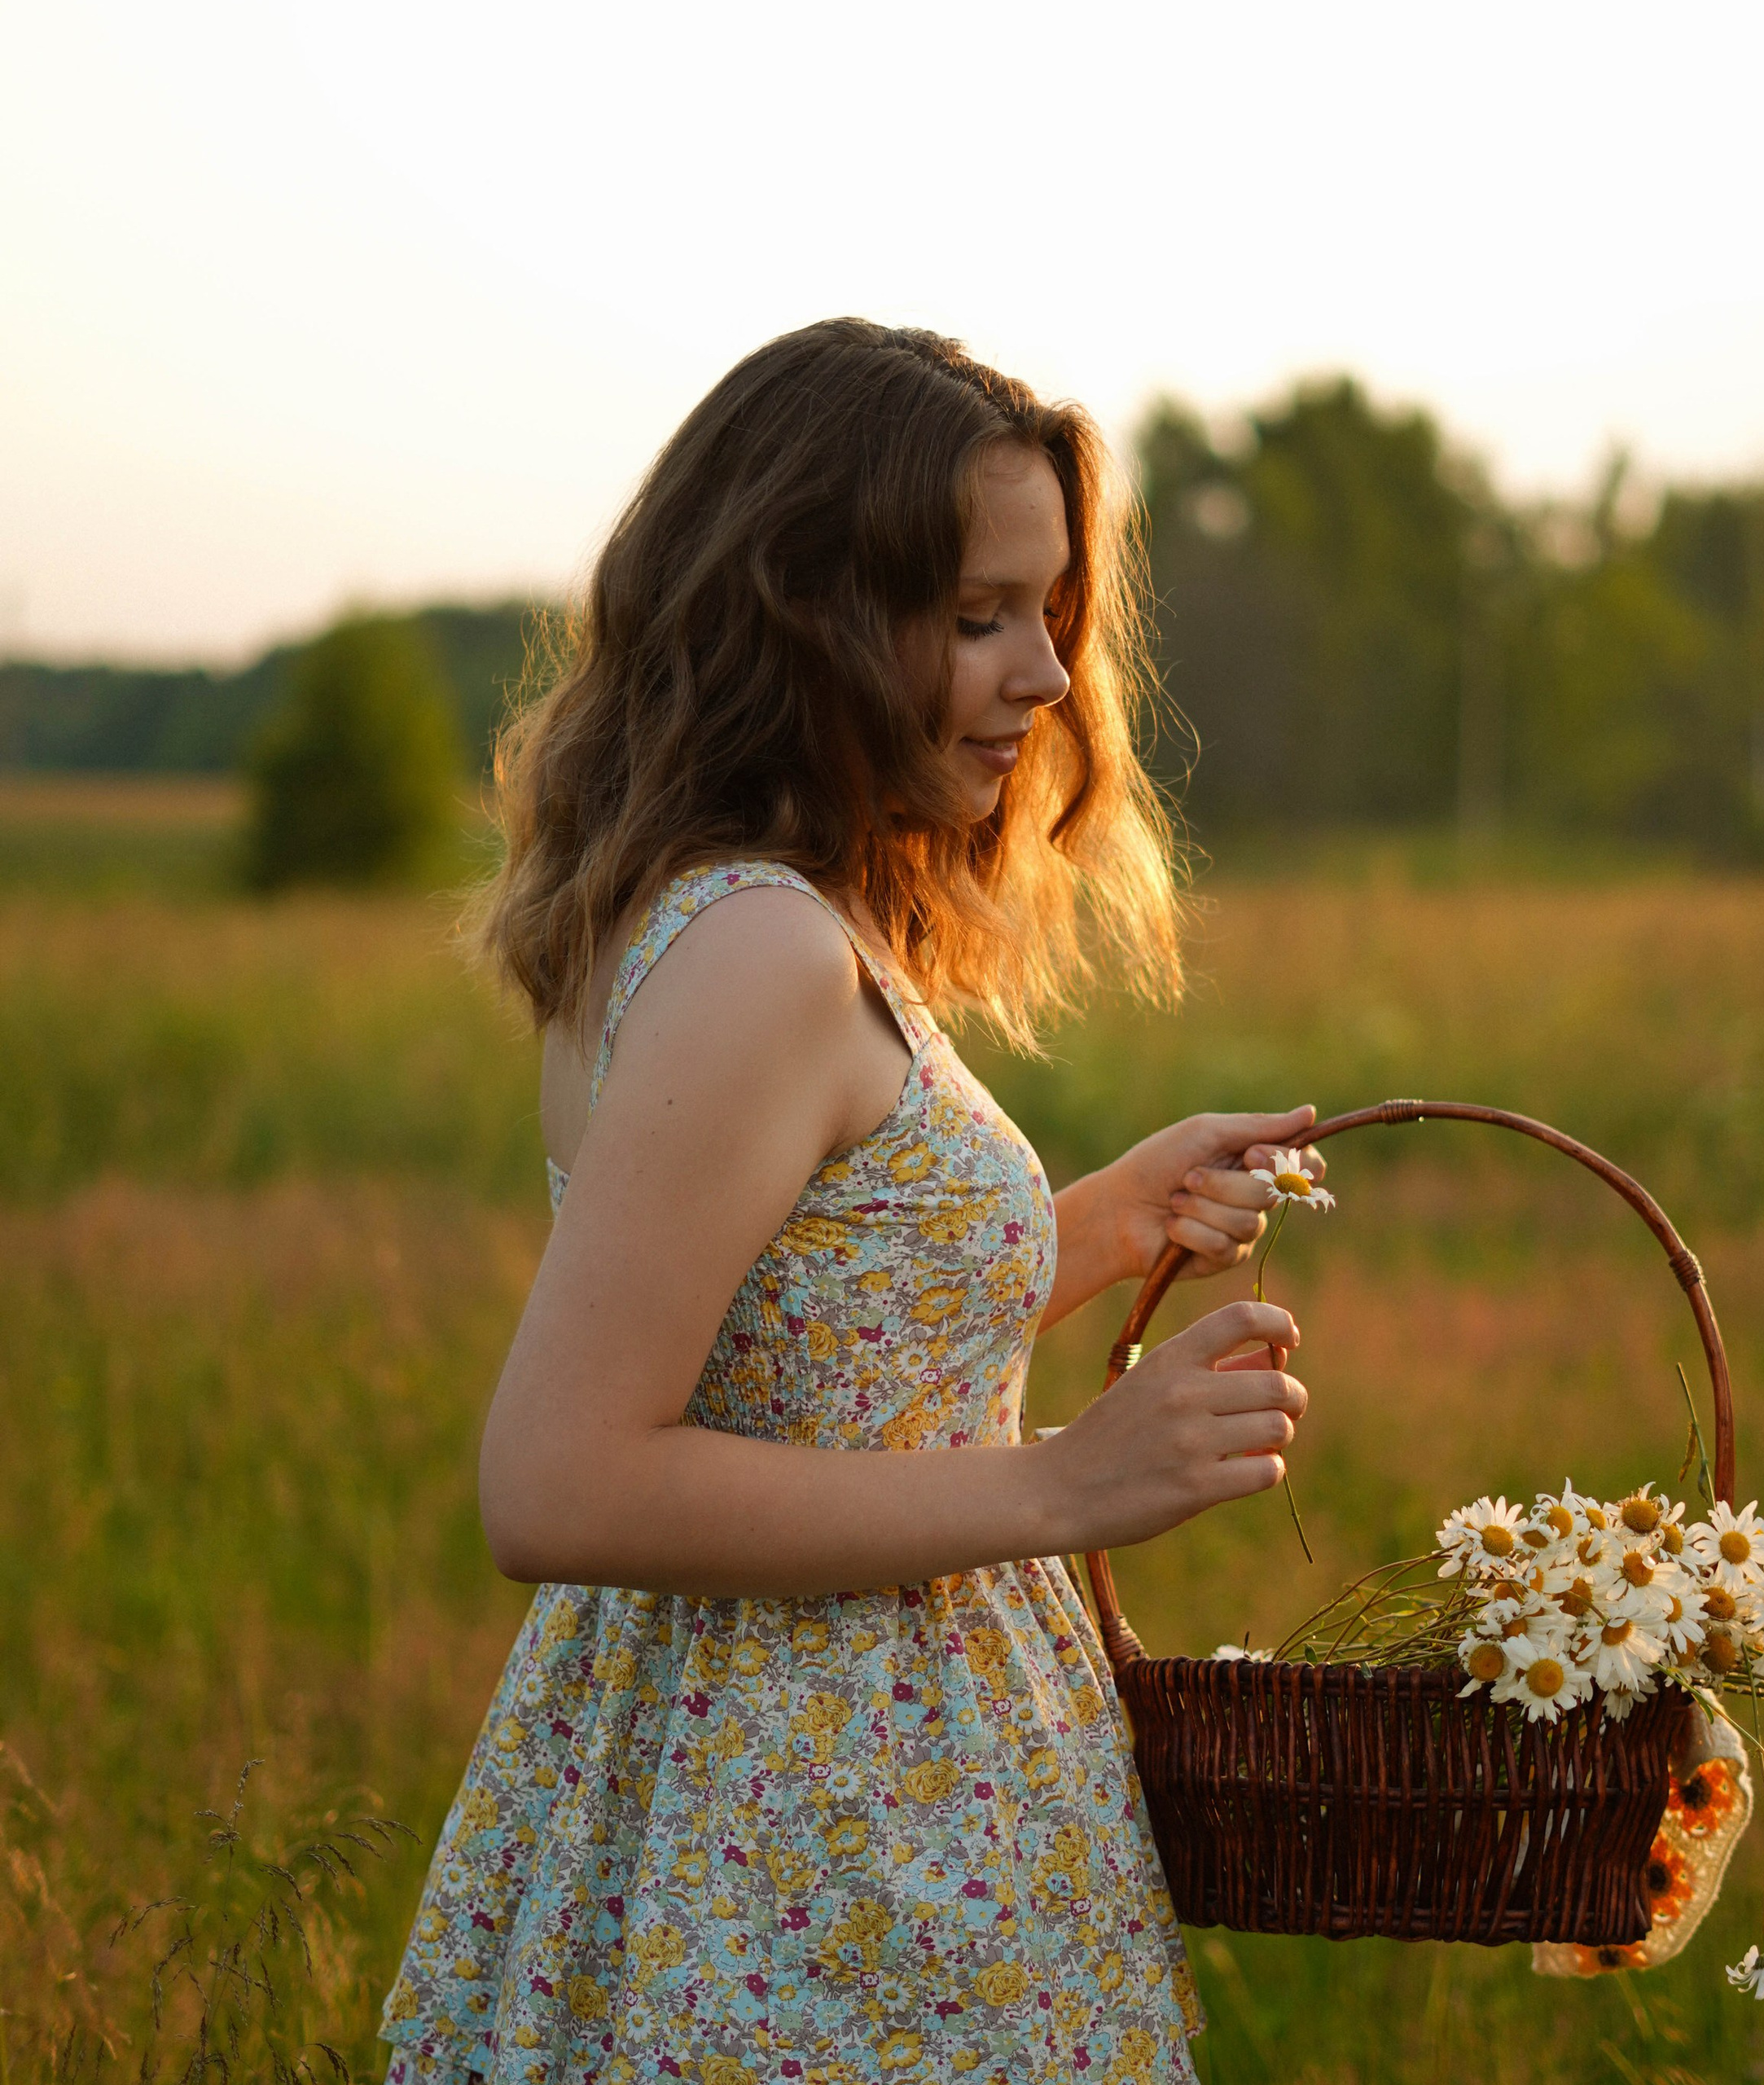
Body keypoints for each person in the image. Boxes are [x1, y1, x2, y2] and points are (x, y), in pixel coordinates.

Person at [381, 318, 1319, 2085]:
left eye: (1048, 614)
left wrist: (1102, 1221)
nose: (1044, 678)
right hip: (804, 1831)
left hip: (840, 1790)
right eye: (975, 615)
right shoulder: (756, 950)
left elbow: (792, 1349)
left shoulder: (765, 917)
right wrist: (1062, 1480)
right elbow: (558, 1474)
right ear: (792, 613)